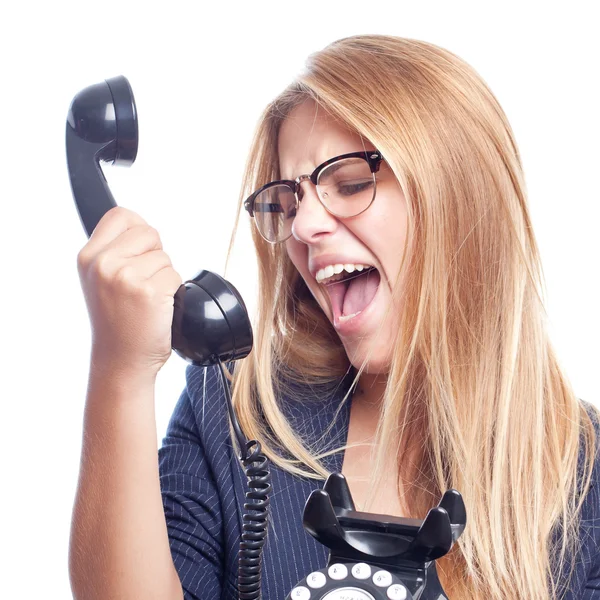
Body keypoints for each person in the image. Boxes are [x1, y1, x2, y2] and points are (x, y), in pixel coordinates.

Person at [68, 35, 600, 600]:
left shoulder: (584, 474)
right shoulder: (234, 410)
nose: (303, 227)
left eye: (349, 183)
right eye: (289, 203)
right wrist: (121, 372)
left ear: (460, 197)